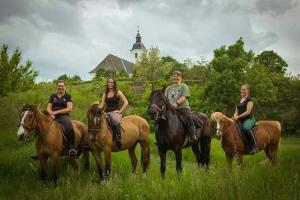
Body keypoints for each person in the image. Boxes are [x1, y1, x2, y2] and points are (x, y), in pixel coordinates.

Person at [47, 80, 77, 158]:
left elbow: (69, 108)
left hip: (64, 116)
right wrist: (51, 113)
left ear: (65, 87)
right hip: (52, 116)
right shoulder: (53, 96)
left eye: (62, 86)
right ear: (57, 87)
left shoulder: (68, 96)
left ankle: (71, 149)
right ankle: (41, 149)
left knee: (69, 128)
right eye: (59, 86)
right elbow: (48, 108)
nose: (61, 87)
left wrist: (56, 113)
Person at [165, 70, 197, 143]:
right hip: (171, 109)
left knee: (188, 117)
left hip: (182, 108)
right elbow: (165, 99)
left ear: (180, 78)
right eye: (174, 76)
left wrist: (176, 103)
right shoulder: (168, 88)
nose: (175, 78)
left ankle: (193, 135)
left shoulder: (183, 86)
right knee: (162, 119)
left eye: (177, 76)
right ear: (172, 78)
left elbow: (185, 97)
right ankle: (161, 137)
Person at [99, 78, 128, 148]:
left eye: (112, 82)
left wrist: (120, 111)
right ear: (107, 83)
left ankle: (118, 139)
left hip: (115, 112)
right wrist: (96, 108)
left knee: (115, 121)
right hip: (106, 112)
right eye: (109, 82)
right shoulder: (105, 93)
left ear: (114, 84)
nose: (110, 84)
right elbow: (102, 105)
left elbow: (126, 102)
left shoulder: (118, 92)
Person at [232, 84, 258, 155]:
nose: (243, 91)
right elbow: (236, 112)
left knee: (246, 128)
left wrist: (238, 117)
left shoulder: (249, 99)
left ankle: (254, 147)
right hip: (240, 120)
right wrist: (234, 117)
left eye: (244, 89)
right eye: (242, 89)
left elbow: (248, 111)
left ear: (248, 91)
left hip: (249, 119)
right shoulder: (239, 100)